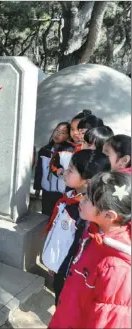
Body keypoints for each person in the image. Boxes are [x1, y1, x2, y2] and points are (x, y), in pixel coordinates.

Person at [48, 171, 131, 329]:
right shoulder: (96, 233)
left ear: (108, 215)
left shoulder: (117, 266)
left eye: (87, 199)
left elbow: (109, 320)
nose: (81, 199)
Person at [42, 150, 111, 304]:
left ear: (87, 181)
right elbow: (60, 236)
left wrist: (64, 269)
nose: (65, 172)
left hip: (71, 273)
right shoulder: (71, 196)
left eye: (71, 170)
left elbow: (79, 248)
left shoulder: (85, 213)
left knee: (64, 303)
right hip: (60, 267)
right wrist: (54, 263)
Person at [33, 122, 71, 215]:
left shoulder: (69, 152)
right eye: (57, 130)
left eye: (62, 132)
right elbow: (39, 170)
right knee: (46, 215)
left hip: (62, 192)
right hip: (47, 191)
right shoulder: (45, 150)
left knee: (59, 216)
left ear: (68, 137)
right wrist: (37, 188)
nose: (58, 134)